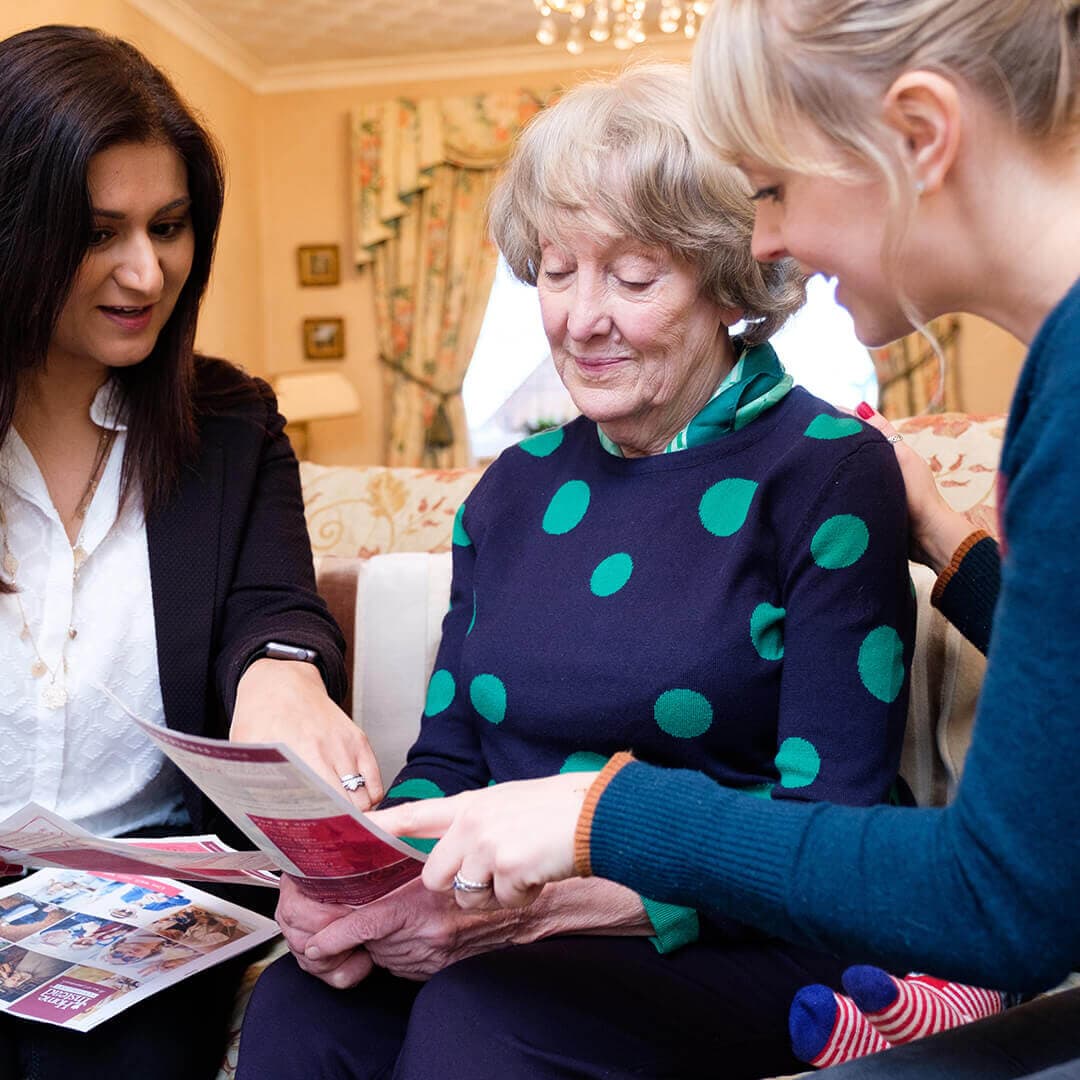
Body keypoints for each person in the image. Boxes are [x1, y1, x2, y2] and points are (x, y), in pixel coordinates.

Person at [371, 1, 1080, 1075]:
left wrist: (601, 819)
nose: (767, 244)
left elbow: (1001, 898)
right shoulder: (1057, 394)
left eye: (777, 189)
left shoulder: (1039, 406)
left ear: (922, 137)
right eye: (557, 272)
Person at [238, 62, 915, 1080]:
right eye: (558, 270)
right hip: (502, 928)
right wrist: (368, 880)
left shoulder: (827, 473)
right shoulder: (511, 491)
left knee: (482, 1019)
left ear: (728, 284)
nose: (580, 319)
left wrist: (539, 914)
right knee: (304, 1005)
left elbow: (834, 829)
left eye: (634, 278)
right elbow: (450, 762)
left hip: (725, 931)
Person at [0, 24, 382, 1080]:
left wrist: (284, 679)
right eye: (99, 232)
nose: (145, 270)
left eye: (168, 226)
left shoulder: (228, 423)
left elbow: (275, 609)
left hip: (148, 907)